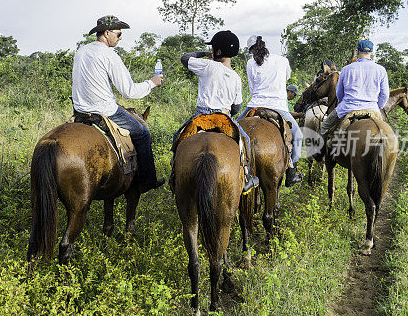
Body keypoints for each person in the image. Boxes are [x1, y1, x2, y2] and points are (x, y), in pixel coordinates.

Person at [71, 15, 165, 192]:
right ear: (107, 33)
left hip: (80, 111)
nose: (120, 38)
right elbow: (128, 91)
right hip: (105, 111)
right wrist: (152, 83)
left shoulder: (81, 51)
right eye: (119, 34)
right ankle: (147, 181)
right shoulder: (109, 55)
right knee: (143, 133)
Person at [179, 30, 259, 192]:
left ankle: (175, 174)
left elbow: (185, 58)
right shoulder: (236, 77)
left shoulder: (208, 65)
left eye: (214, 48)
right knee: (245, 140)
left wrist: (204, 53)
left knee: (178, 137)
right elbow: (236, 107)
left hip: (202, 116)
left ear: (218, 51)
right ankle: (246, 175)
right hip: (224, 116)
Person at [241, 35, 303, 187]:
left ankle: (243, 171)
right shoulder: (282, 60)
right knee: (298, 136)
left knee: (232, 131)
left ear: (251, 50)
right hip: (279, 107)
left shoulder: (250, 62)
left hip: (255, 105)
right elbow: (286, 77)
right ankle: (291, 172)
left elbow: (252, 88)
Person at [314, 40, 389, 161]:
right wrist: (376, 106)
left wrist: (346, 102)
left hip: (348, 108)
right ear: (371, 53)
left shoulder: (346, 69)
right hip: (372, 109)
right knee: (385, 132)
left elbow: (339, 92)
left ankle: (319, 153)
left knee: (325, 126)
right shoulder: (381, 70)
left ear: (357, 51)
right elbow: (385, 95)